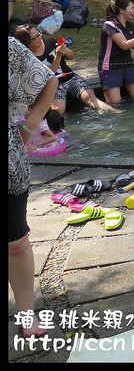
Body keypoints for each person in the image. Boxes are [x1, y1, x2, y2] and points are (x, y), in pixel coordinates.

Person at [9, 36, 58, 338]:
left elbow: (47, 81)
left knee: (15, 242)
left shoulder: (10, 47)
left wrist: (27, 128)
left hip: (9, 160)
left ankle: (27, 315)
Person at [13, 24, 118, 114]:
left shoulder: (49, 41)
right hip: (52, 84)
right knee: (58, 109)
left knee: (91, 98)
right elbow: (47, 76)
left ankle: (113, 112)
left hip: (69, 76)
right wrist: (58, 56)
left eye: (39, 34)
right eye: (35, 37)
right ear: (26, 42)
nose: (39, 37)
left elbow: (71, 56)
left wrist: (65, 50)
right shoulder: (28, 58)